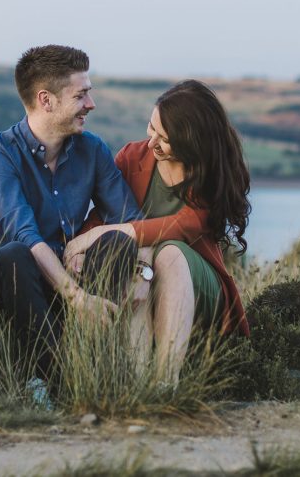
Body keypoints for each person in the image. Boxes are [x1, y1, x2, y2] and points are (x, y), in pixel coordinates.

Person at [0, 45, 143, 387]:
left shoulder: (92, 149)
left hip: (72, 274)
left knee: (116, 241)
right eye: (81, 95)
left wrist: (88, 244)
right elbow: (25, 236)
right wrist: (76, 297)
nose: (91, 105)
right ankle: (63, 381)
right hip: (19, 287)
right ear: (46, 100)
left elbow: (130, 219)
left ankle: (97, 360)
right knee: (12, 255)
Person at [65, 79, 251, 382]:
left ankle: (166, 382)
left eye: (163, 138)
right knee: (136, 264)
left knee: (170, 252)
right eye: (151, 128)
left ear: (192, 142)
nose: (151, 142)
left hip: (195, 284)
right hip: (140, 275)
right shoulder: (132, 157)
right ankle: (136, 384)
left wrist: (100, 235)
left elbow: (179, 227)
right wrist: (83, 245)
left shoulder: (211, 174)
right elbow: (104, 213)